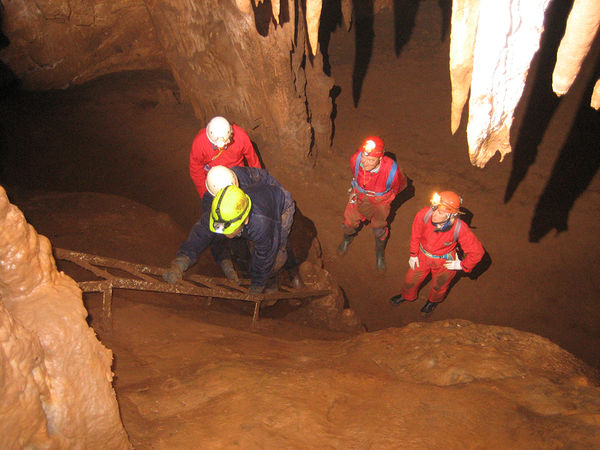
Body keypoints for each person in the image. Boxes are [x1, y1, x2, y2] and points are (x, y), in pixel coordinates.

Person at [162, 183, 303, 297]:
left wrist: (257, 284)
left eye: (229, 230)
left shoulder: (261, 224)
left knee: (276, 248)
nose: (225, 234)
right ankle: (252, 272)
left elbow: (265, 254)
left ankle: (287, 274)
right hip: (258, 198)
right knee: (245, 246)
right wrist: (181, 262)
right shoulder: (222, 211)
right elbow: (200, 235)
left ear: (245, 220)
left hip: (281, 205)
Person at [389, 191, 484, 315]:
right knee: (410, 280)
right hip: (422, 255)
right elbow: (416, 234)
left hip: (445, 261)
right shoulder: (424, 215)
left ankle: (433, 301)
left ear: (451, 215)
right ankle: (407, 295)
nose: (434, 213)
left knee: (439, 286)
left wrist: (462, 265)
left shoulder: (459, 228)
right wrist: (413, 254)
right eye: (435, 208)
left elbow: (477, 252)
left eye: (440, 212)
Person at [202, 165, 294, 283]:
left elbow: (266, 250)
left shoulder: (260, 219)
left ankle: (288, 270)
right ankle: (246, 267)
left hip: (277, 206)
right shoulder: (214, 203)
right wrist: (224, 261)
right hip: (255, 209)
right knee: (242, 244)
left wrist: (258, 279)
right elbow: (215, 233)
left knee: (275, 248)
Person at [337, 136, 407, 271]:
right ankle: (347, 239)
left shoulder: (392, 171)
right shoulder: (356, 159)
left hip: (380, 202)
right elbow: (355, 172)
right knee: (349, 222)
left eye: (371, 159)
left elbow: (400, 186)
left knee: (379, 228)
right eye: (364, 156)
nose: (365, 162)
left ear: (380, 158)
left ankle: (380, 253)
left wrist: (385, 200)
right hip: (358, 195)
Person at [189, 116, 261, 197]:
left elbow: (253, 160)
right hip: (215, 179)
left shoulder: (240, 137)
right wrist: (204, 194)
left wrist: (258, 182)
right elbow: (196, 169)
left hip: (237, 173)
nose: (221, 147)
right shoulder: (200, 143)